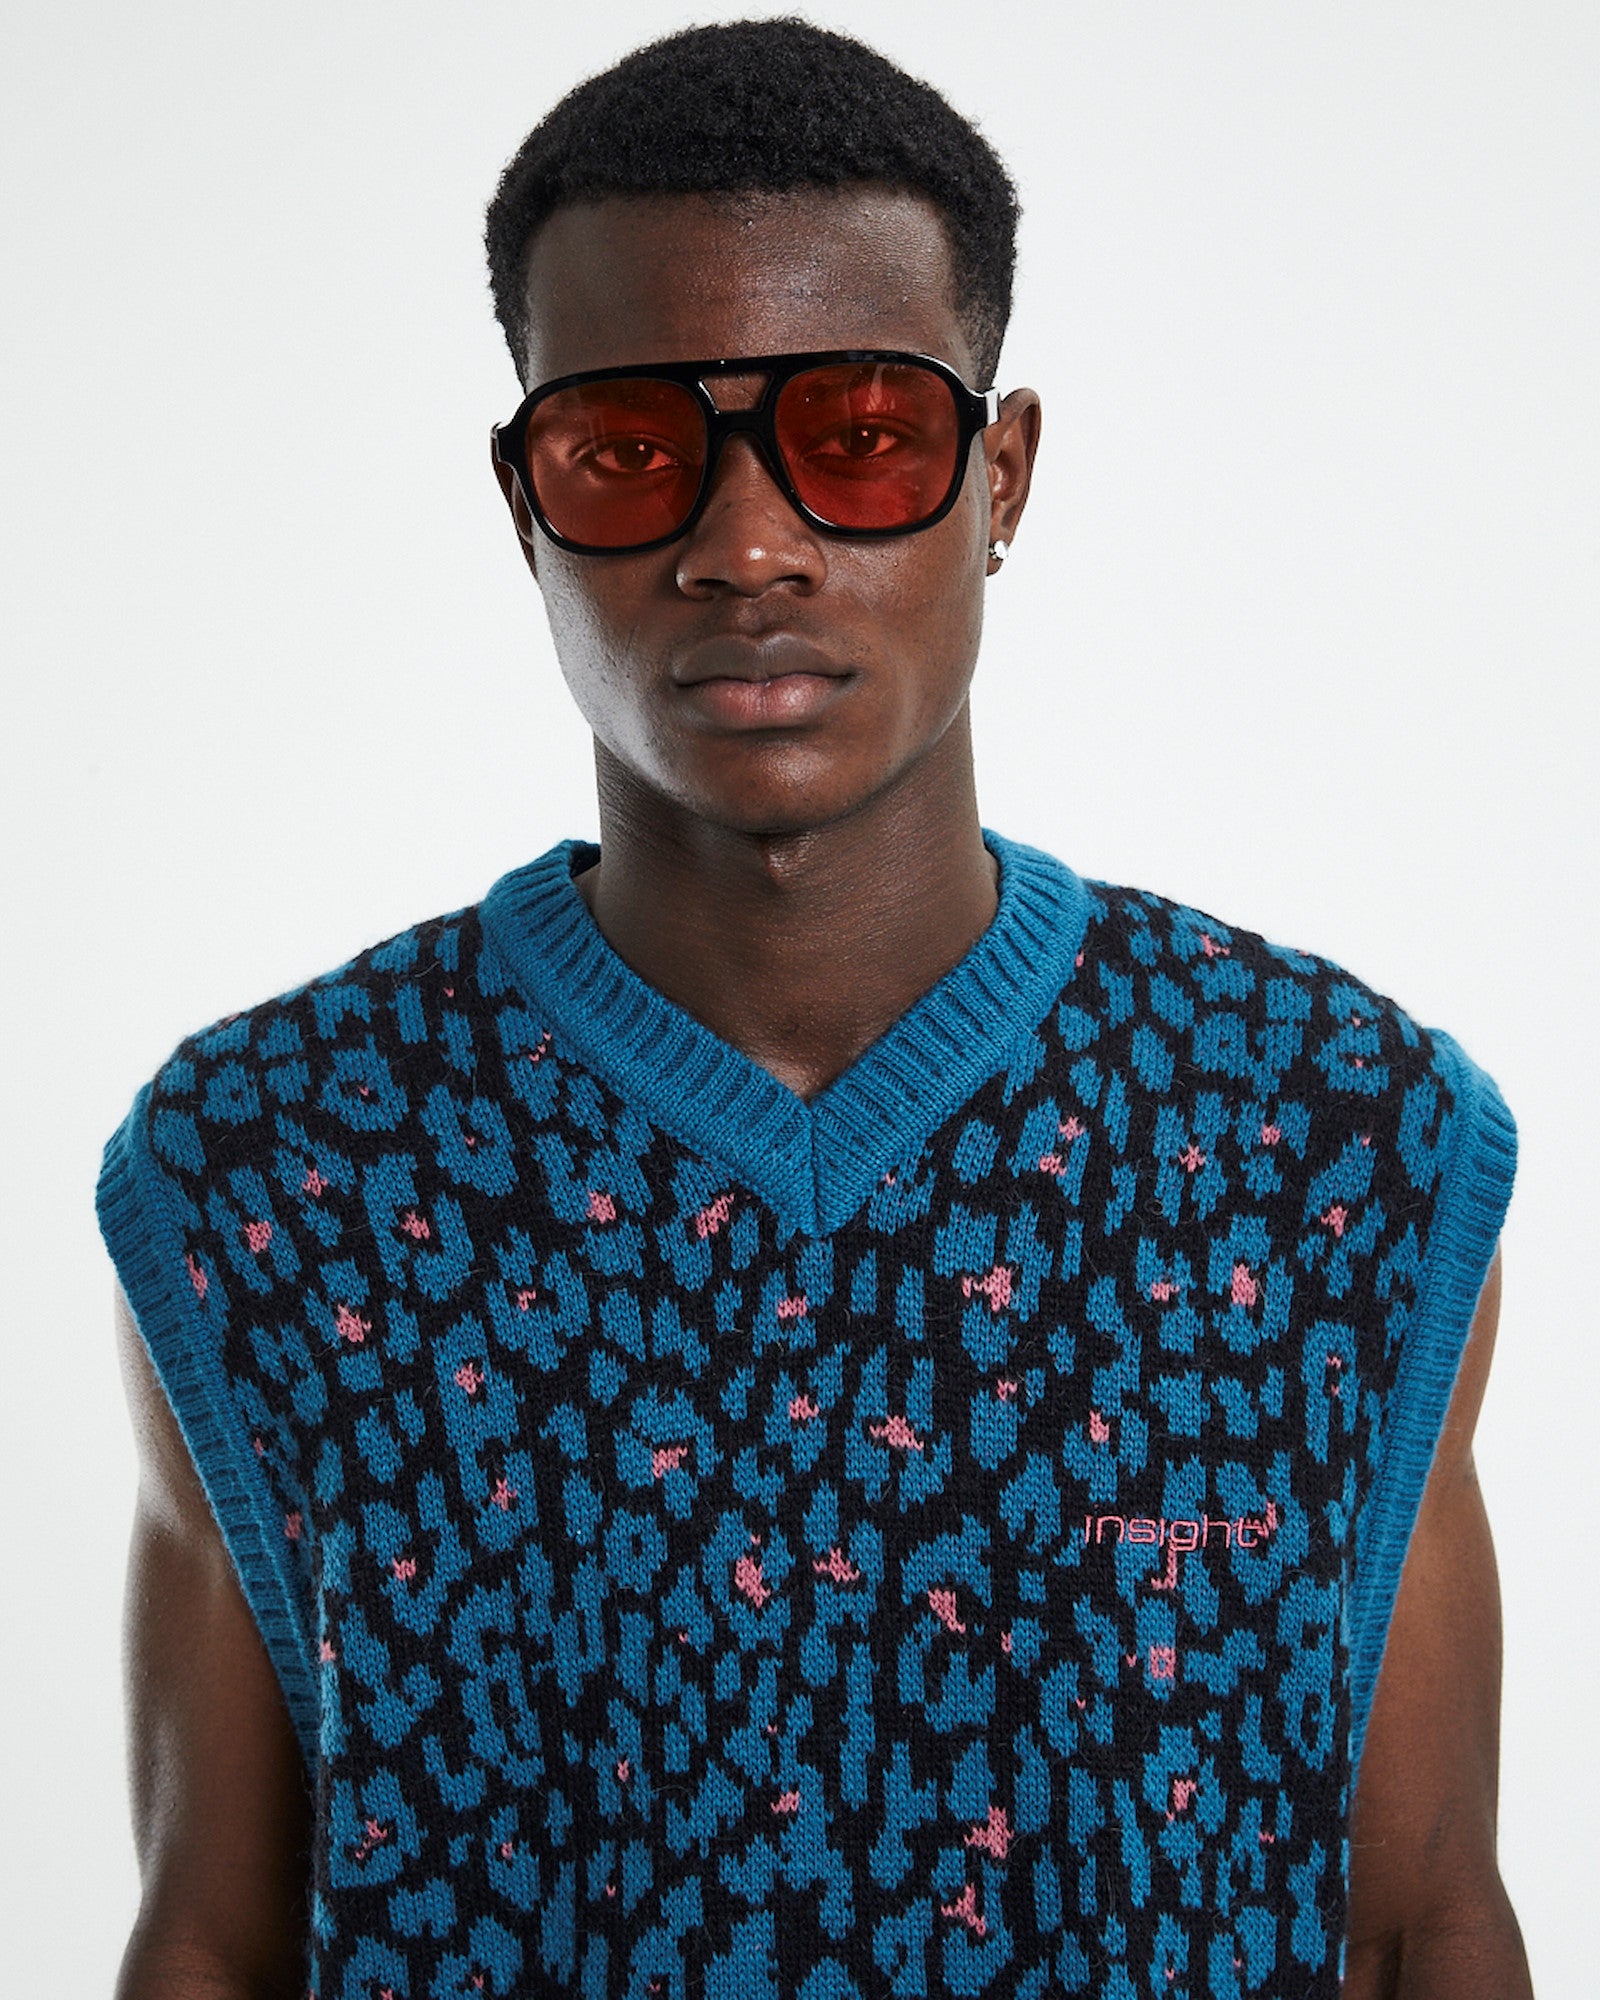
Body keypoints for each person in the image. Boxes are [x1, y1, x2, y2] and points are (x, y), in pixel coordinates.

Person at [100, 20, 1532, 2000]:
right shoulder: (269, 1170)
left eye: (859, 434)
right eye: (627, 453)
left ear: (999, 476)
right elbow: (210, 1937)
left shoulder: (1334, 1140)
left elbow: (1416, 1920)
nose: (746, 544)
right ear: (523, 499)